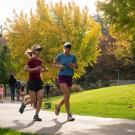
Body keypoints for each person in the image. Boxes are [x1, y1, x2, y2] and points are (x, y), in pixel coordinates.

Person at [19, 44, 48, 121]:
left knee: (41, 98)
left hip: (39, 81)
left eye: (40, 50)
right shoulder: (31, 60)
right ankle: (24, 104)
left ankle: (36, 115)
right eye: (38, 50)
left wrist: (44, 70)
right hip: (32, 81)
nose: (39, 51)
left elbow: (39, 70)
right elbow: (25, 69)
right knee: (33, 100)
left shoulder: (40, 61)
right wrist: (34, 69)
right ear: (34, 51)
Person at [53, 42, 78, 121]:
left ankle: (58, 106)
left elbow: (77, 66)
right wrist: (59, 66)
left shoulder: (73, 56)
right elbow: (53, 65)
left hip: (69, 77)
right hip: (61, 76)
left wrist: (73, 65)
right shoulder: (60, 56)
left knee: (67, 96)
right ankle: (69, 115)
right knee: (66, 95)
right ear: (64, 48)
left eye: (69, 47)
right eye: (66, 47)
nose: (68, 49)